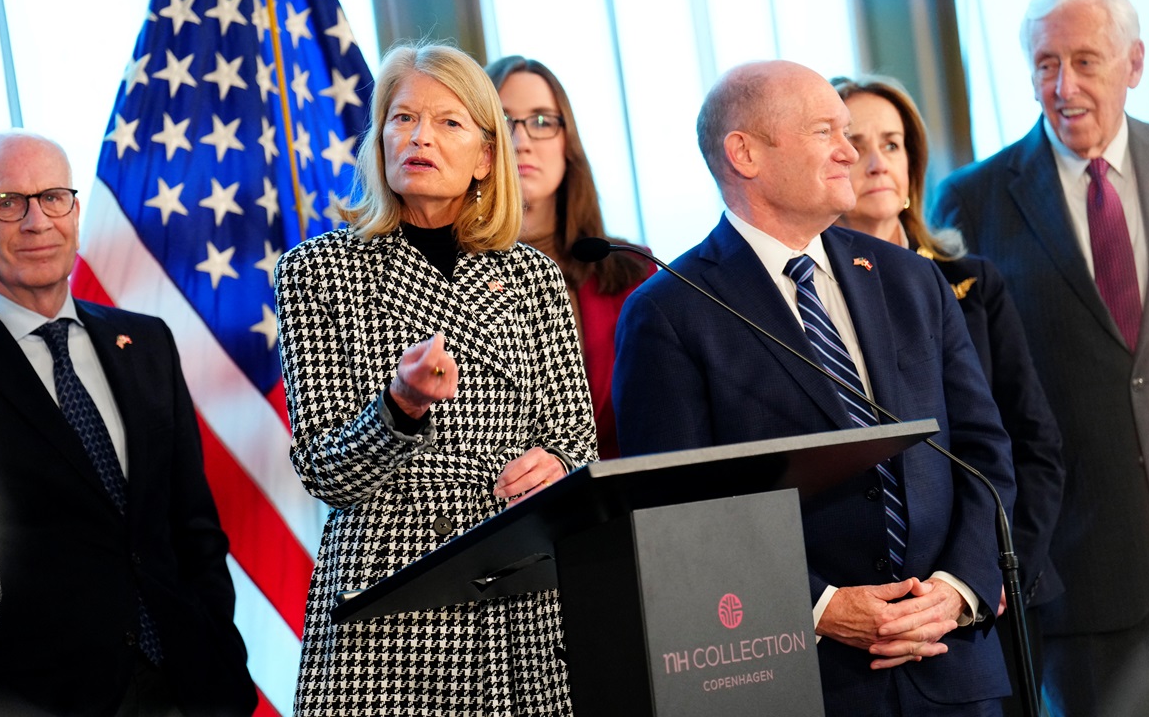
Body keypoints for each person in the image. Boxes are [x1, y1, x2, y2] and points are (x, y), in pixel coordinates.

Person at [613, 60, 1016, 715]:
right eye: (825, 131)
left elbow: (981, 449)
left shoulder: (910, 279)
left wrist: (957, 588)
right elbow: (679, 513)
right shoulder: (669, 310)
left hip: (950, 662)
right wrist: (821, 608)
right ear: (745, 153)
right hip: (807, 675)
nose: (849, 151)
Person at [276, 42, 597, 715]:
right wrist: (401, 407)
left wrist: (558, 464)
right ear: (380, 139)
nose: (420, 136)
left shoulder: (534, 277)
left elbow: (577, 440)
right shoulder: (318, 271)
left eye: (448, 122)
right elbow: (325, 473)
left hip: (517, 593)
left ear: (485, 156)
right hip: (392, 600)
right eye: (403, 118)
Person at [932, 0, 1149, 716]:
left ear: (1134, 63)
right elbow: (974, 397)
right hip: (1082, 568)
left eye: (1085, 61)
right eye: (1045, 64)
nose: (1063, 87)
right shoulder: (972, 199)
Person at [0, 131, 255, 715]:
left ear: (76, 215)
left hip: (188, 686)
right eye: (7, 202)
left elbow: (194, 529)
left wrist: (222, 661)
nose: (37, 221)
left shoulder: (146, 342)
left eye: (54, 198)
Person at [833, 74, 1064, 713]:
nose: (877, 162)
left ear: (913, 163)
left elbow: (1030, 445)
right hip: (882, 609)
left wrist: (991, 572)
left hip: (995, 591)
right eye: (856, 144)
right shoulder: (808, 307)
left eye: (892, 144)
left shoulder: (971, 283)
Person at [484, 56, 652, 459]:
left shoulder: (633, 268)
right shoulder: (445, 272)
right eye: (503, 121)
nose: (521, 141)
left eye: (542, 121)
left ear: (567, 142)